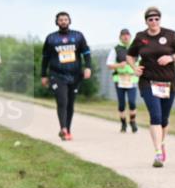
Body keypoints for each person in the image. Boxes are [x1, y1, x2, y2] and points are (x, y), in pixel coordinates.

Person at [126, 7, 175, 167]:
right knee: (156, 116)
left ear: (160, 19)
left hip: (168, 82)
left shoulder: (170, 35)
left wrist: (170, 57)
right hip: (148, 82)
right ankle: (157, 153)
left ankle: (162, 142)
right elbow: (130, 55)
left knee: (164, 119)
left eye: (156, 19)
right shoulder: (140, 37)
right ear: (146, 21)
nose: (153, 21)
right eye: (150, 19)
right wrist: (134, 68)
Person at [41, 12, 93, 140]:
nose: (63, 21)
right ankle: (63, 128)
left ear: (69, 21)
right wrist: (43, 75)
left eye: (65, 19)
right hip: (57, 75)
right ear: (57, 22)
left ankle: (67, 130)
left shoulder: (78, 36)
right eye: (61, 20)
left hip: (75, 75)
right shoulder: (51, 38)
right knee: (62, 101)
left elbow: (86, 53)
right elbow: (45, 58)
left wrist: (88, 67)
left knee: (70, 103)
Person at [105, 29, 139, 133]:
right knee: (121, 104)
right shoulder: (116, 49)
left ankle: (132, 121)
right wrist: (119, 65)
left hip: (132, 79)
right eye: (123, 35)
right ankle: (123, 123)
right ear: (120, 37)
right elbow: (109, 65)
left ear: (130, 36)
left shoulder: (136, 48)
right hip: (119, 79)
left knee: (132, 102)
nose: (125, 37)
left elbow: (142, 62)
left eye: (127, 35)